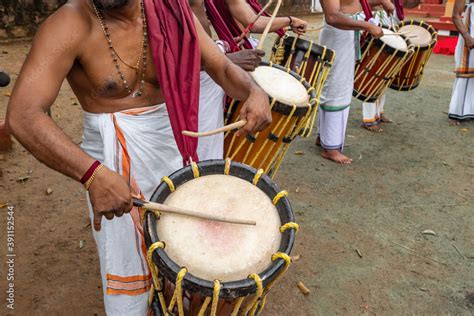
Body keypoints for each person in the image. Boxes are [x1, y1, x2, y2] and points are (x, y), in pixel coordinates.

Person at [6, 0, 271, 314]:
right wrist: (91, 174)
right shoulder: (71, 22)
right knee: (128, 270)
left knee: (189, 250)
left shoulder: (171, 10)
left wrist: (253, 91)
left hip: (176, 150)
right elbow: (23, 114)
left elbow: (222, 66)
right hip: (109, 168)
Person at [317, 0, 393, 164]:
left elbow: (350, 4)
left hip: (346, 32)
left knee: (338, 86)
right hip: (338, 33)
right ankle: (330, 147)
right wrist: (367, 26)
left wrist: (379, 2)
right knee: (336, 88)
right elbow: (332, 16)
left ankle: (324, 137)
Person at [190, 0, 266, 160]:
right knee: (188, 159)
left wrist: (219, 52)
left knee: (206, 154)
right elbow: (160, 51)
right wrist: (226, 58)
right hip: (183, 85)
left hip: (206, 75)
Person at [448, 0, 474, 124]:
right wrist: (466, 36)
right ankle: (456, 112)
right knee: (466, 70)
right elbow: (456, 14)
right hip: (471, 26)